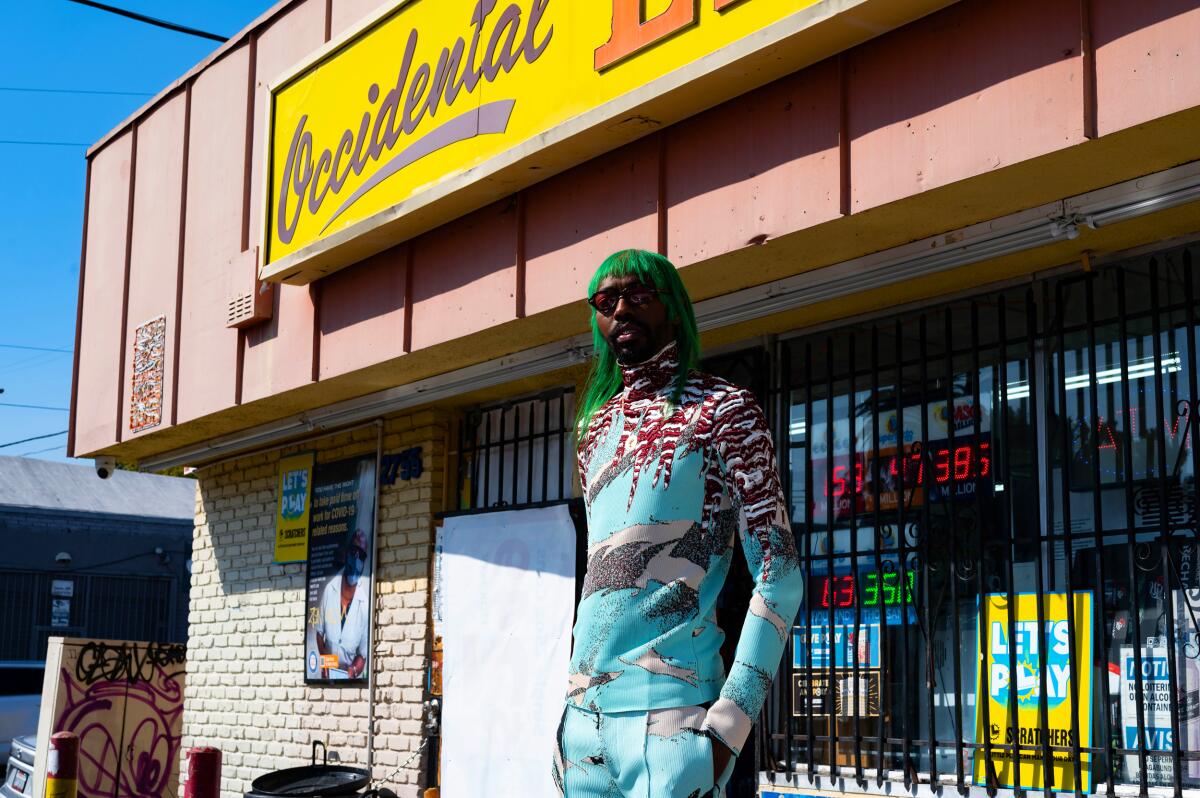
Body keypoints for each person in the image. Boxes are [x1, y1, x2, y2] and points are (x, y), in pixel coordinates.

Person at [553, 249, 803, 797]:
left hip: (671, 719)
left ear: (674, 307)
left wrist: (726, 730)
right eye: (606, 300)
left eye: (639, 295)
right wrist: (568, 718)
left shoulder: (723, 410)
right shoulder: (594, 429)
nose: (621, 308)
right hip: (581, 726)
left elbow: (780, 575)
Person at [315, 528, 370, 679]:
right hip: (327, 679)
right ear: (346, 554)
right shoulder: (329, 590)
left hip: (348, 683)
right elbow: (319, 633)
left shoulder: (365, 606)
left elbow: (363, 655)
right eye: (353, 551)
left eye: (362, 555)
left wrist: (353, 670)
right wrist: (327, 661)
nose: (356, 560)